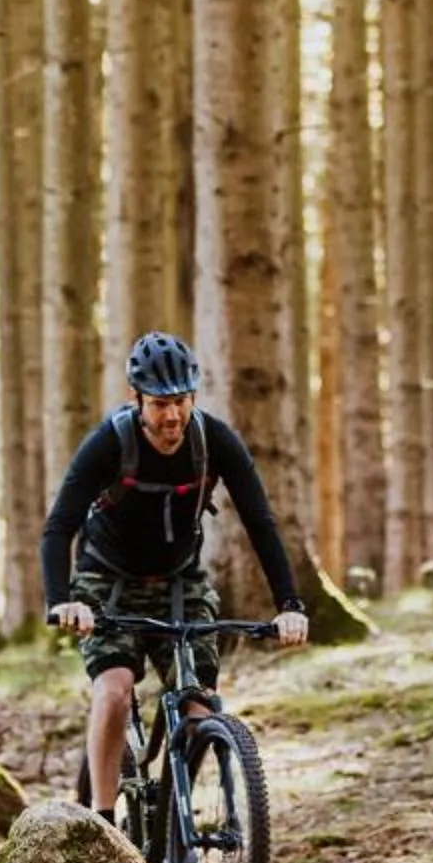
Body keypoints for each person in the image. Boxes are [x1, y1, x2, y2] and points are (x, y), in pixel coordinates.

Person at [41, 331, 311, 823]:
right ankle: (103, 822)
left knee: (199, 706)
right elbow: (59, 527)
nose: (172, 415)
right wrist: (63, 600)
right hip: (107, 583)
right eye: (160, 404)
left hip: (181, 584)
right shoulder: (109, 442)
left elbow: (260, 522)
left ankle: (173, 817)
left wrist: (289, 604)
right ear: (137, 399)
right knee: (115, 688)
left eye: (182, 401)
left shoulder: (214, 441)